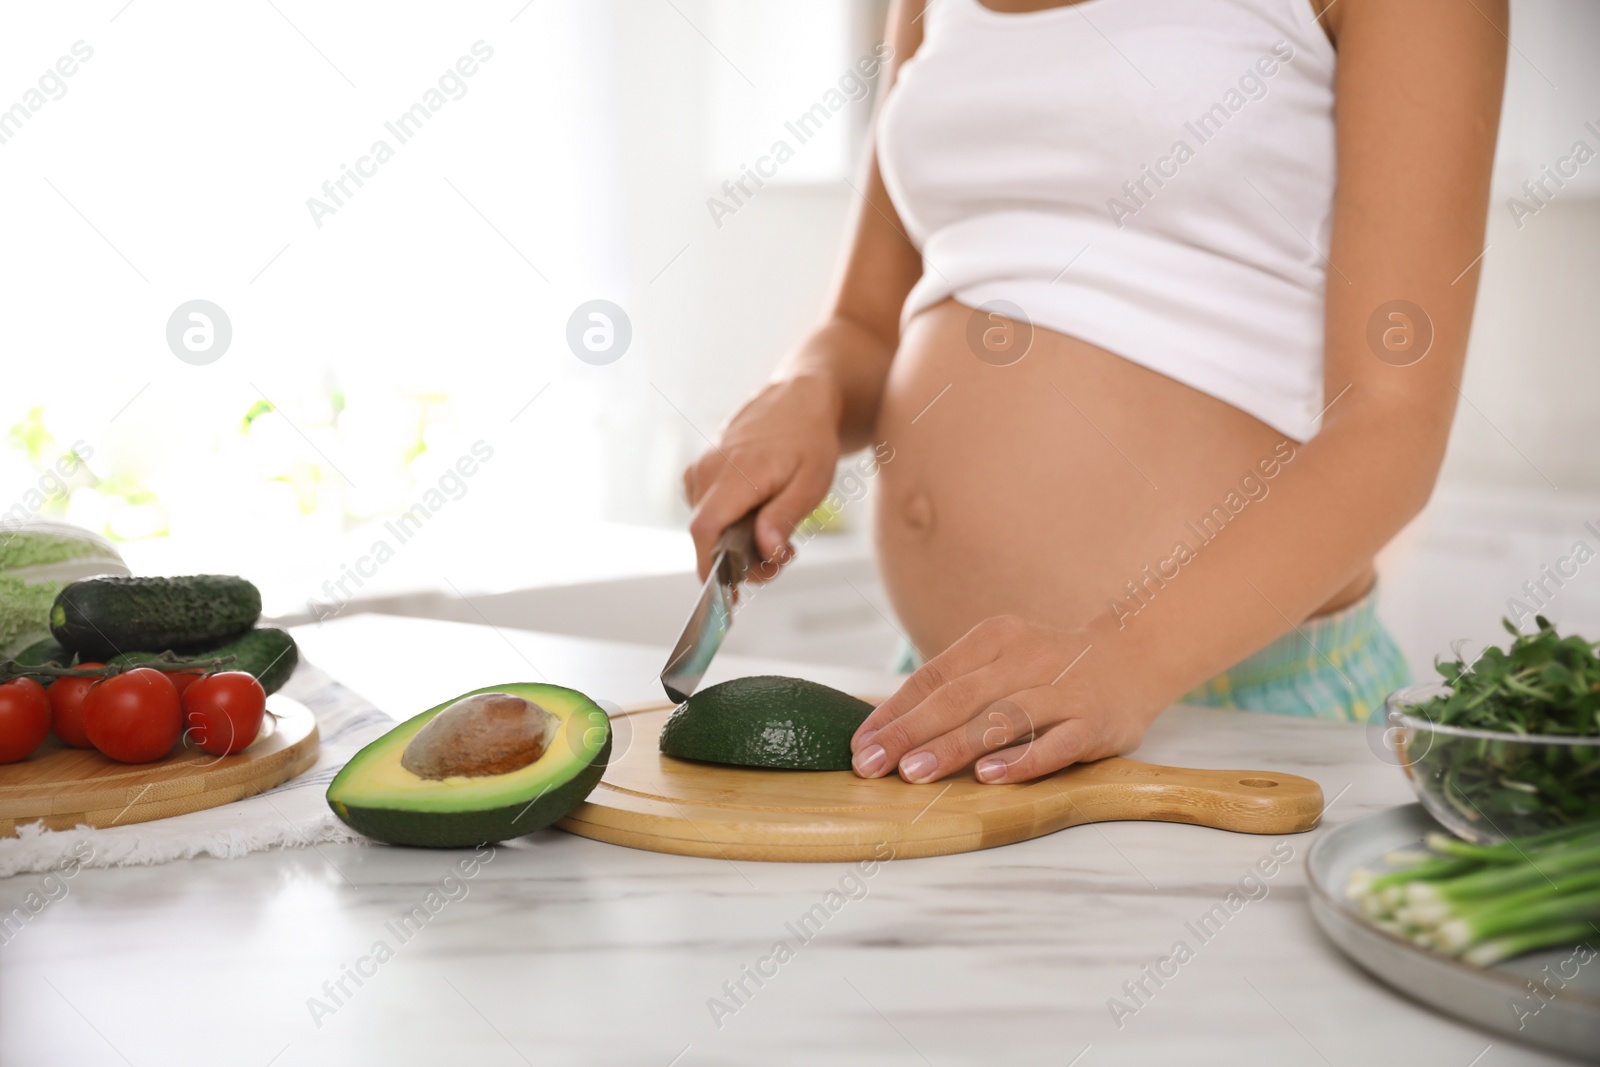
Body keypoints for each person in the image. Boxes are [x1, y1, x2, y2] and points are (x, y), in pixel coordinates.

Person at [681, 0, 1507, 785]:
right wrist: (805, 390)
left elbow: (1391, 425)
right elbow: (864, 322)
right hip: (956, 703)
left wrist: (1129, 657)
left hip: (1228, 706)